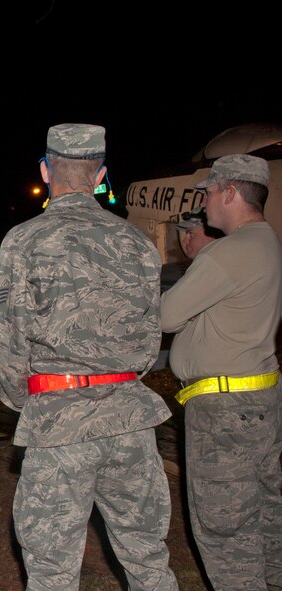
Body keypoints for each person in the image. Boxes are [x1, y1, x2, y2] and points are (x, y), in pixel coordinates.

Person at [0, 124, 178, 589]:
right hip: (131, 420)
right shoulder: (136, 243)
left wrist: (23, 401)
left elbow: (6, 340)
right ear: (101, 175)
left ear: (45, 170)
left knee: (53, 571)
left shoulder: (24, 240)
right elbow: (151, 338)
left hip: (59, 423)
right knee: (148, 560)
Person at [161, 153, 282, 590]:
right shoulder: (269, 242)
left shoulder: (232, 251)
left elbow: (166, 315)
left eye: (209, 192)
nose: (205, 203)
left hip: (225, 413)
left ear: (230, 192)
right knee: (266, 517)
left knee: (227, 533)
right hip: (259, 402)